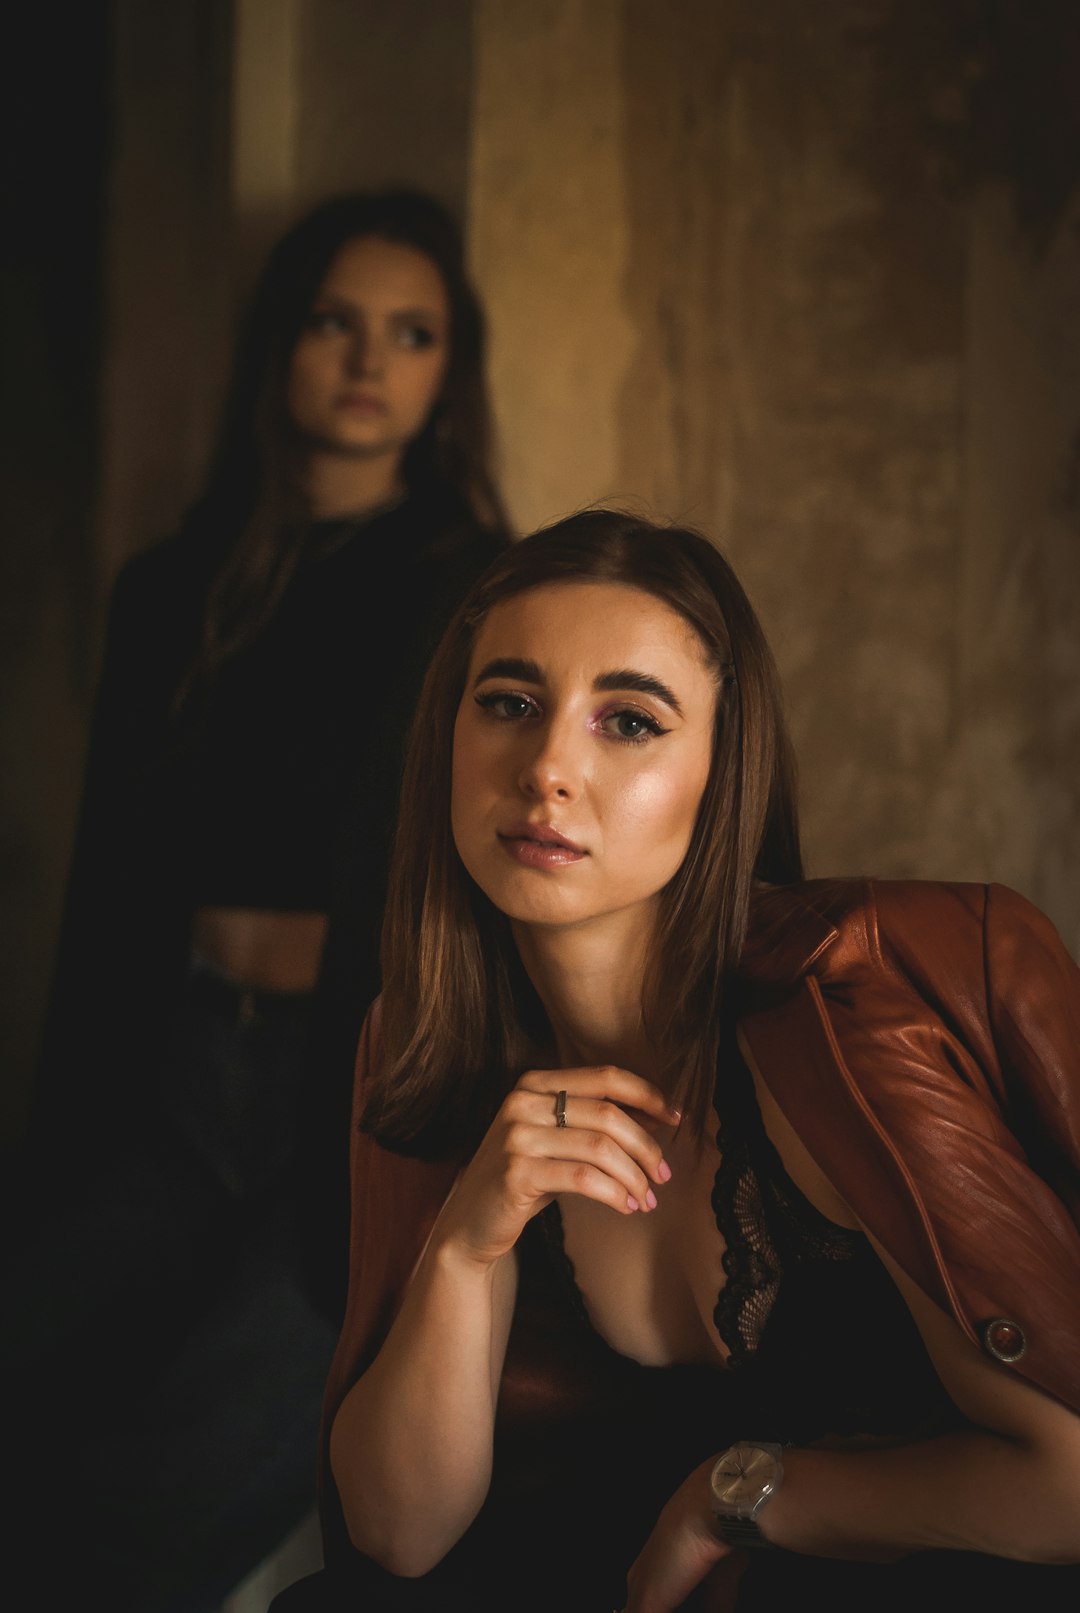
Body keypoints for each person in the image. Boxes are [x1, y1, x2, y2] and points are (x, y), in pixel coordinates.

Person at [273, 508, 1080, 1613]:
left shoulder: (843, 1008)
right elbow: (397, 1535)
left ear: (720, 770)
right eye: (508, 703)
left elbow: (1068, 1480)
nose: (549, 766)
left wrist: (735, 1495)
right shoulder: (424, 1036)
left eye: (631, 721)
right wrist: (464, 1247)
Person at [6, 188, 511, 1612]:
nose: (368, 360)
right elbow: (111, 890)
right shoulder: (172, 586)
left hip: (351, 1085)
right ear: (281, 346)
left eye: (410, 335)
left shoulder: (472, 589)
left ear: (444, 373)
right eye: (334, 323)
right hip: (175, 1065)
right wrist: (70, 1127)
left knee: (174, 1476)